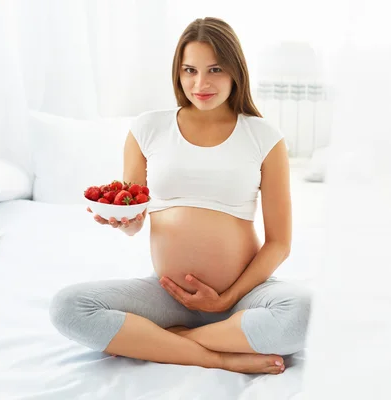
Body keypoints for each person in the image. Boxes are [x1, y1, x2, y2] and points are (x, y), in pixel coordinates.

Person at [49, 17, 311, 375]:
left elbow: (279, 243)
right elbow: (134, 219)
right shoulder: (148, 128)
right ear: (178, 73)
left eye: (214, 69)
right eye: (189, 70)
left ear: (235, 71)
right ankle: (215, 354)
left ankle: (169, 339)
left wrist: (227, 298)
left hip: (242, 297)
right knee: (68, 307)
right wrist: (124, 221)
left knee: (307, 312)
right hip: (167, 295)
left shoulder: (264, 137)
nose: (200, 83)